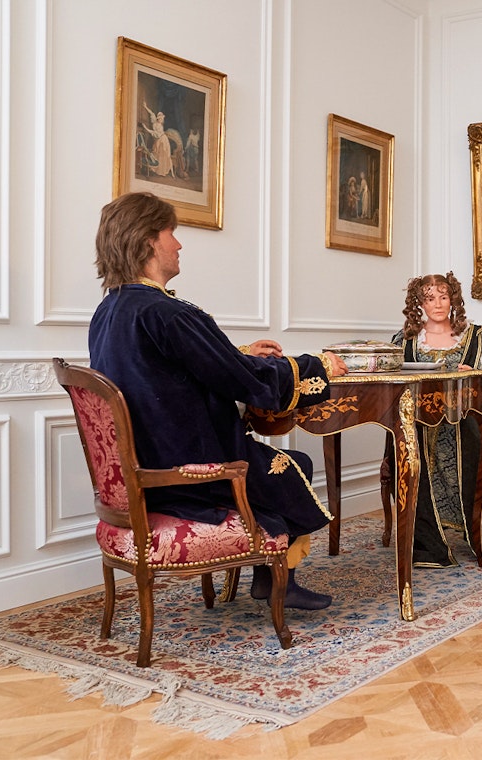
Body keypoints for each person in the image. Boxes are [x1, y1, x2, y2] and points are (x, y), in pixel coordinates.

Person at [88, 192, 349, 609]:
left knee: (280, 468)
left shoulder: (112, 309)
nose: (178, 244)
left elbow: (168, 371)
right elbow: (244, 381)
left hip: (147, 466)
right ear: (150, 240)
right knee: (293, 466)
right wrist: (317, 365)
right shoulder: (166, 312)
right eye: (171, 233)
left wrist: (238, 353)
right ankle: (275, 578)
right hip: (191, 474)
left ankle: (268, 577)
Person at [389, 272, 482, 567]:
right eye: (430, 298)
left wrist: (471, 376)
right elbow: (391, 387)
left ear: (453, 300)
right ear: (418, 303)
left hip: (466, 426)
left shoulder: (474, 338)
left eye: (444, 297)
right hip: (417, 427)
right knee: (408, 460)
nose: (437, 304)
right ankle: (428, 546)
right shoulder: (403, 341)